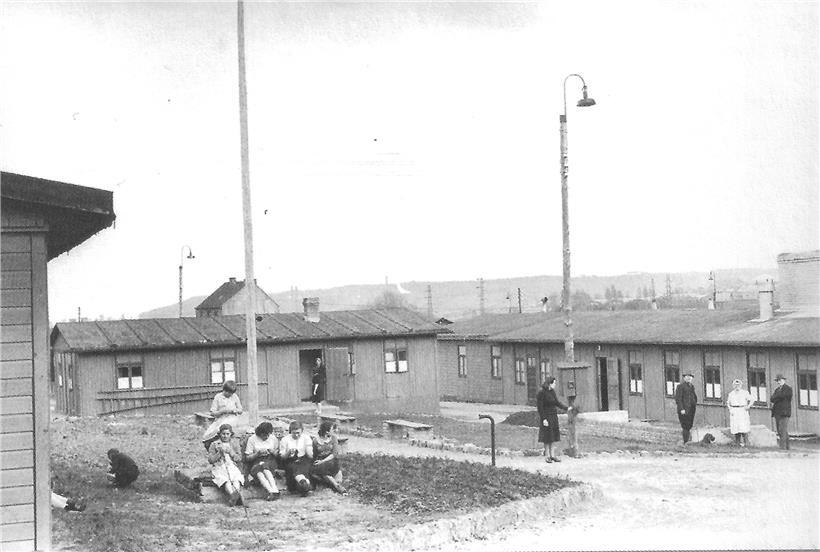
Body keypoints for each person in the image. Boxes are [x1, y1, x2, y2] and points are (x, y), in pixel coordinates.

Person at [208, 423, 245, 506]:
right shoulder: (214, 444)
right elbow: (211, 460)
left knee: (236, 479)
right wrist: (219, 453)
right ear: (220, 434)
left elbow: (239, 459)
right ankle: (233, 496)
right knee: (226, 480)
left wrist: (231, 452)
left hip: (232, 466)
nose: (225, 436)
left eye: (227, 434)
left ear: (231, 434)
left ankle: (235, 496)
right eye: (223, 434)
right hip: (219, 467)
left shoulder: (234, 443)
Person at [202, 380, 244, 451]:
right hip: (220, 419)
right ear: (224, 390)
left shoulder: (234, 396)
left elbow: (240, 410)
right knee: (207, 435)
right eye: (228, 392)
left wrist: (234, 410)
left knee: (222, 430)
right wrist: (222, 411)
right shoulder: (218, 397)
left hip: (232, 419)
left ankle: (225, 448)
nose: (229, 395)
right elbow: (212, 413)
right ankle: (212, 449)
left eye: (231, 393)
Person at [244, 421, 281, 500]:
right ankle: (273, 491)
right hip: (257, 460)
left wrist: (272, 451)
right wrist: (257, 454)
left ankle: (273, 489)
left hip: (270, 460)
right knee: (259, 470)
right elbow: (248, 457)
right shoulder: (252, 439)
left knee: (264, 467)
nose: (266, 437)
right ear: (259, 433)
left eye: (268, 434)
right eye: (264, 435)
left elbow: (277, 454)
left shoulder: (273, 438)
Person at [536, 377, 568, 463]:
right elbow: (540, 408)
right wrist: (544, 419)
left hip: (553, 416)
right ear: (550, 383)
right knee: (547, 437)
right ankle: (547, 456)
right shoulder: (541, 393)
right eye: (554, 383)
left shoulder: (552, 392)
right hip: (546, 416)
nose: (555, 385)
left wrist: (566, 408)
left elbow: (556, 402)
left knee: (553, 436)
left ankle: (552, 455)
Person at [279, 421, 314, 496]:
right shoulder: (285, 440)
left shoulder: (306, 438)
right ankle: (306, 485)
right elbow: (282, 457)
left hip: (303, 459)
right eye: (294, 433)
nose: (296, 435)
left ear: (302, 431)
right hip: (290, 460)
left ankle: (303, 484)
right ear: (290, 431)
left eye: (298, 433)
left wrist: (308, 449)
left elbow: (310, 455)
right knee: (293, 467)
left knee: (304, 468)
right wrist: (288, 452)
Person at [311, 420, 346, 494]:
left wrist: (323, 461)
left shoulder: (334, 438)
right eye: (333, 429)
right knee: (322, 470)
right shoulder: (315, 440)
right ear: (327, 432)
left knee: (330, 470)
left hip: (332, 460)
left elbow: (334, 454)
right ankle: (337, 486)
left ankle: (335, 484)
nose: (335, 431)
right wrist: (316, 462)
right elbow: (314, 454)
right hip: (321, 462)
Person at [726, 379, 753, 447]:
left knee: (743, 427)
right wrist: (730, 410)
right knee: (736, 427)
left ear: (741, 385)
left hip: (742, 410)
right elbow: (728, 403)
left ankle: (746, 443)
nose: (737, 386)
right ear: (733, 386)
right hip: (734, 411)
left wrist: (748, 406)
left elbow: (752, 400)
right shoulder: (731, 394)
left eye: (738, 385)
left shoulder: (745, 393)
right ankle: (737, 443)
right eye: (735, 385)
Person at [770, 374, 793, 450]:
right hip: (777, 412)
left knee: (782, 429)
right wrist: (777, 397)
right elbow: (772, 399)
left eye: (780, 380)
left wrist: (777, 397)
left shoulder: (788, 388)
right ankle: (787, 447)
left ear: (784, 380)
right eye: (777, 381)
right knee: (780, 430)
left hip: (785, 412)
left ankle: (782, 447)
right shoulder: (777, 390)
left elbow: (784, 396)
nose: (779, 382)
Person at [674, 372, 697, 444]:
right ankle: (685, 441)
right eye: (687, 376)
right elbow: (678, 399)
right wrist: (681, 409)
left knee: (689, 425)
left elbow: (693, 396)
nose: (689, 378)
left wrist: (694, 403)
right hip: (684, 410)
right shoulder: (680, 386)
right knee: (685, 426)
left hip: (691, 409)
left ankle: (688, 441)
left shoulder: (692, 386)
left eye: (690, 377)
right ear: (684, 378)